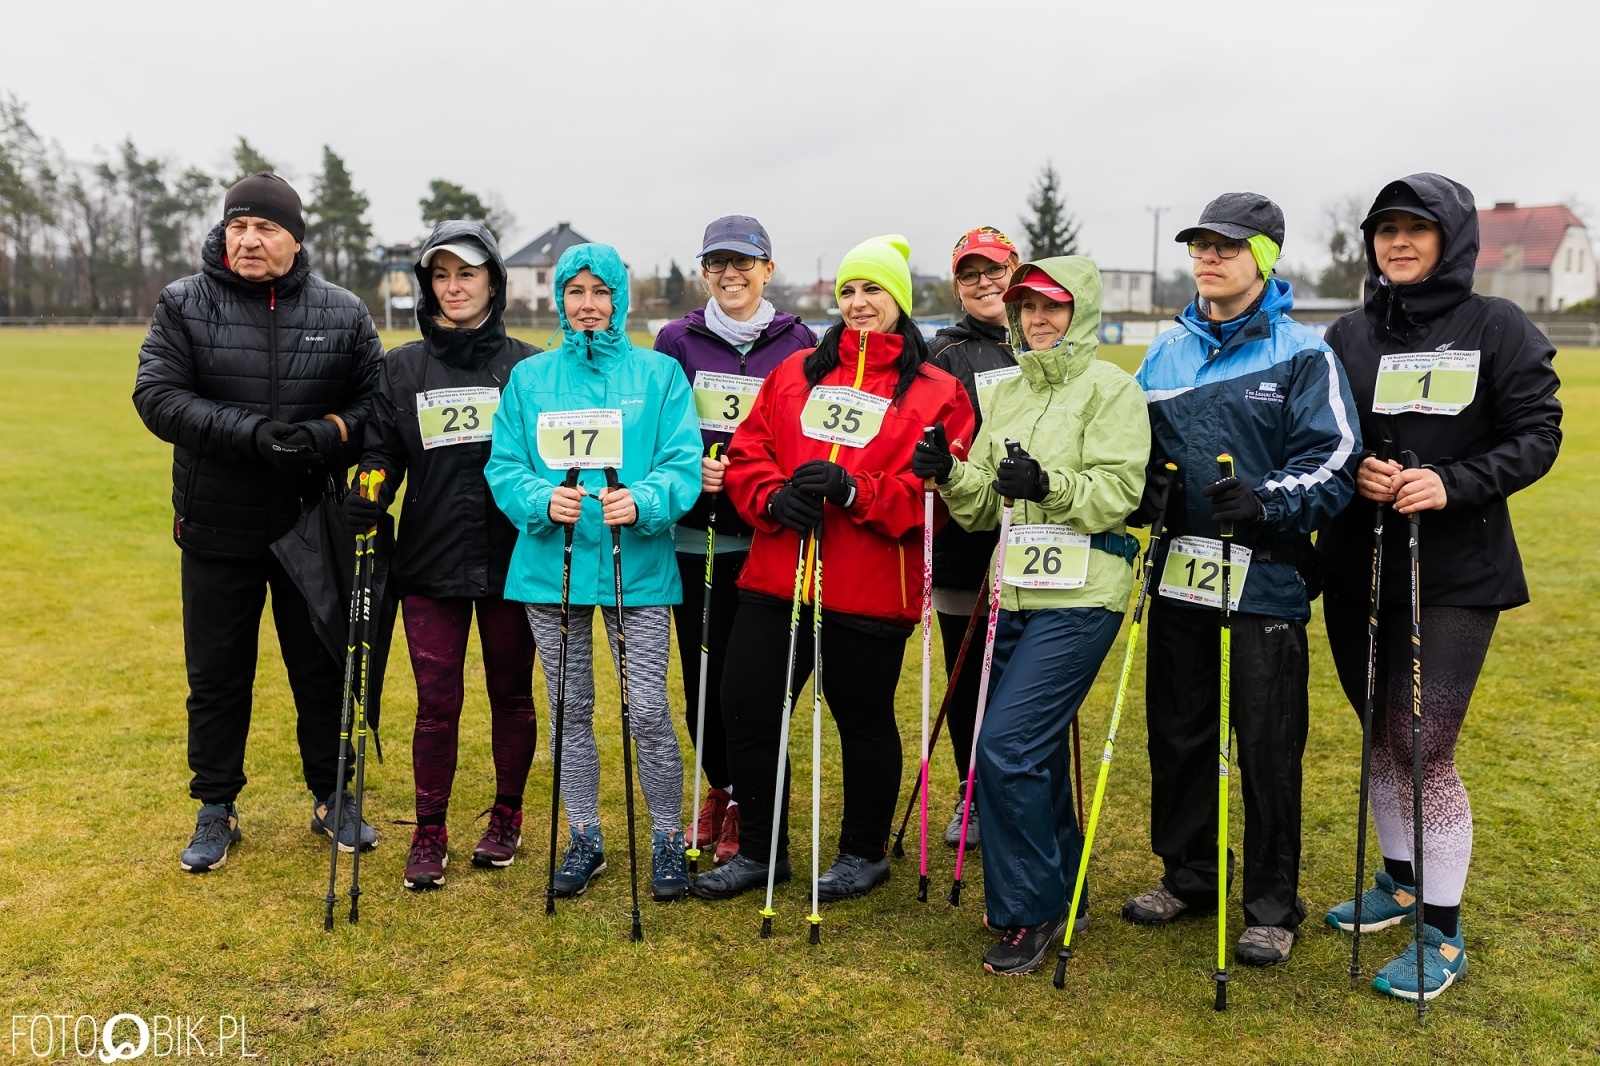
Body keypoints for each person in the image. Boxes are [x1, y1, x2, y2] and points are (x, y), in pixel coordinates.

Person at [1318, 174, 1562, 1001]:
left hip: (1457, 572)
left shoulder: (1498, 325)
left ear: (1452, 239)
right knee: (1380, 736)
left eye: (1415, 229)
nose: (1398, 243)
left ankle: (1444, 933)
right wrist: (1356, 469)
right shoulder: (1349, 332)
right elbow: (1324, 430)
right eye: (1385, 230)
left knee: (1422, 745)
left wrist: (1451, 482)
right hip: (1358, 566)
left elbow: (1538, 434)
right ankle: (1399, 881)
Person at [690, 234, 976, 903]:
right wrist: (770, 495)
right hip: (779, 575)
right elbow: (749, 450)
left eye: (873, 289)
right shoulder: (795, 373)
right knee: (747, 706)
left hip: (871, 584)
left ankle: (862, 850)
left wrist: (858, 492)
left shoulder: (938, 391)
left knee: (862, 715)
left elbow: (935, 493)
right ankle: (760, 850)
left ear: (899, 301)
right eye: (848, 290)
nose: (857, 302)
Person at [1124, 193, 1360, 966]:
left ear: (1262, 258)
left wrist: (1266, 500)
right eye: (1200, 245)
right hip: (1183, 577)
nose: (1209, 258)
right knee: (1180, 736)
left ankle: (1270, 903)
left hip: (1268, 582)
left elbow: (1334, 464)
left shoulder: (1304, 352)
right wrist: (1149, 493)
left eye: (1227, 247)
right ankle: (1188, 877)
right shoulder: (1163, 355)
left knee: (1266, 746)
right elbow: (1144, 460)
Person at [133, 172, 383, 872]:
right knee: (217, 675)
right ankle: (216, 805)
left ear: (294, 239)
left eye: (265, 228)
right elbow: (157, 397)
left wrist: (328, 434)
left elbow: (376, 404)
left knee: (320, 668)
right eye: (237, 226)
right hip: (216, 528)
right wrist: (253, 434)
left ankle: (333, 797)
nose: (248, 239)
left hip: (310, 526)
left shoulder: (343, 311)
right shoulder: (184, 303)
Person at [915, 256, 1148, 975]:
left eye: (1052, 307)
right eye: (1026, 309)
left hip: (1084, 592)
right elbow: (985, 503)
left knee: (1005, 748)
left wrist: (1050, 483)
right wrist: (950, 473)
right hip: (1014, 587)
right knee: (1029, 751)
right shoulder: (1007, 393)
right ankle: (1062, 881)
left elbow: (1119, 490)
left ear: (1080, 309)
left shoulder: (1112, 389)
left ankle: (1030, 907)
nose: (1038, 321)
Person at [485, 242, 702, 902]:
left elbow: (681, 462)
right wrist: (536, 500)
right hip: (553, 568)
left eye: (600, 292)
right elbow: (506, 463)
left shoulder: (660, 375)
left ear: (619, 299)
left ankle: (668, 836)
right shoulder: (529, 378)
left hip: (631, 565)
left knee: (647, 711)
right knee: (569, 709)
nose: (588, 305)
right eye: (575, 293)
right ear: (560, 301)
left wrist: (643, 500)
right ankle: (586, 836)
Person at [344, 221, 542, 890]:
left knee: (511, 694)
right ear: (429, 285)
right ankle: (429, 832)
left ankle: (506, 817)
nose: (454, 287)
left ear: (493, 281)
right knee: (436, 703)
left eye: (468, 273)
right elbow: (381, 453)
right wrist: (368, 490)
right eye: (441, 275)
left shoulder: (529, 367)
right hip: (429, 563)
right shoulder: (401, 368)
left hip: (515, 559)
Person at [653, 216, 817, 866]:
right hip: (696, 541)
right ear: (705, 271)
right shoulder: (676, 340)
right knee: (702, 682)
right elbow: (657, 426)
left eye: (743, 263)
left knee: (749, 687)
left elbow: (804, 434)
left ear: (768, 269)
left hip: (767, 545)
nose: (731, 274)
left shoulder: (799, 342)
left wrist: (755, 474)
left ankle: (753, 799)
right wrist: (694, 467)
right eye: (717, 263)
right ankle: (720, 789)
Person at [926, 225, 1021, 848]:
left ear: (1017, 269)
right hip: (964, 537)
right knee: (966, 676)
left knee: (1020, 674)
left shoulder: (1048, 338)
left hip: (1035, 536)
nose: (985, 282)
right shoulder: (944, 353)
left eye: (995, 269)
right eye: (971, 274)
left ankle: (1019, 794)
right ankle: (972, 792)